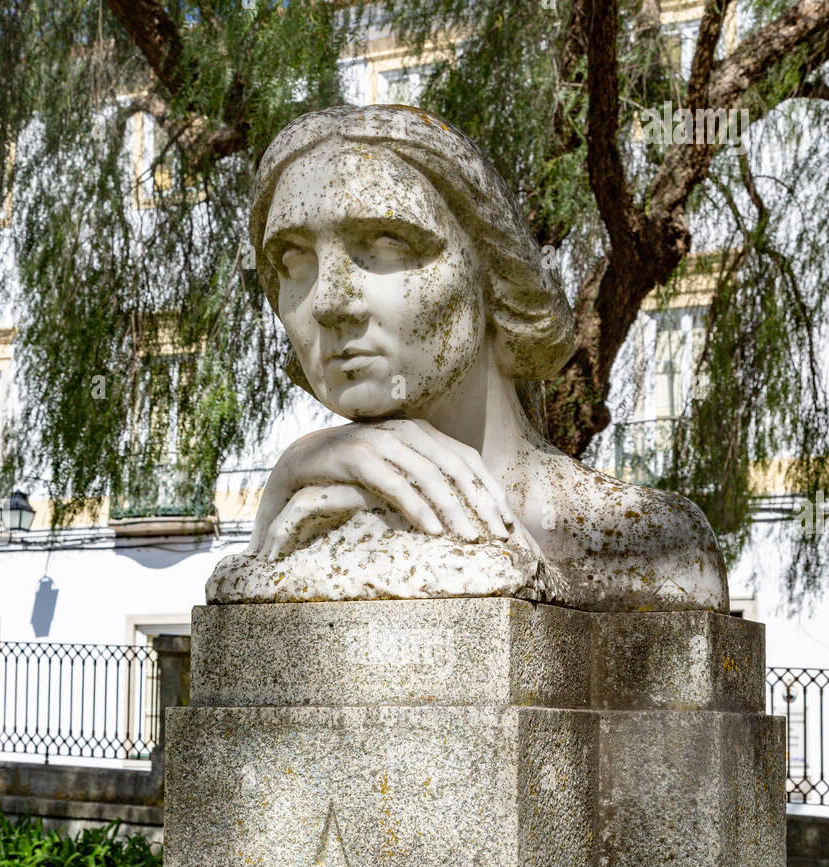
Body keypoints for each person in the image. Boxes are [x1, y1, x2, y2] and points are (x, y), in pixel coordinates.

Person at [244, 105, 728, 612]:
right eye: (294, 260)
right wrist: (287, 487)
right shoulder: (308, 514)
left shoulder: (647, 551)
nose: (328, 302)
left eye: (387, 245)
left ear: (492, 273)